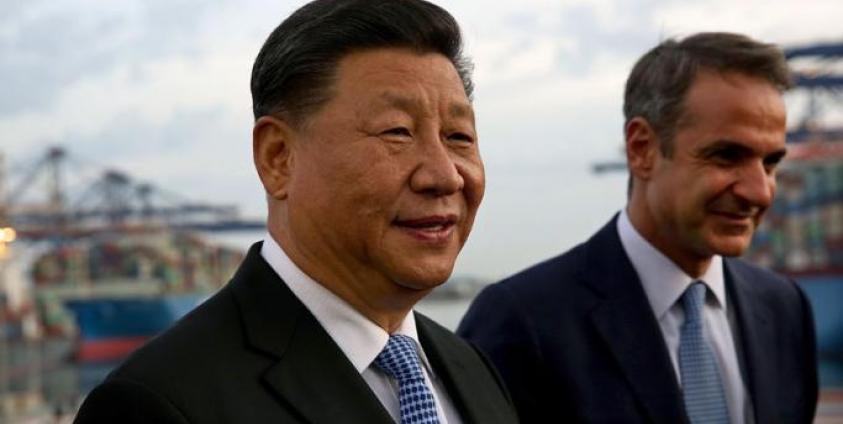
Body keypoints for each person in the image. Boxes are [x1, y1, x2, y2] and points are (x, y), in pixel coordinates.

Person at [74, 0, 519, 423]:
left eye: (459, 136)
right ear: (278, 158)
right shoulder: (158, 405)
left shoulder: (471, 368)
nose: (445, 176)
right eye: (397, 131)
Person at [458, 32, 818, 424]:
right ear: (641, 148)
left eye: (770, 163)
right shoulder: (521, 322)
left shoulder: (784, 309)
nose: (760, 192)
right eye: (727, 156)